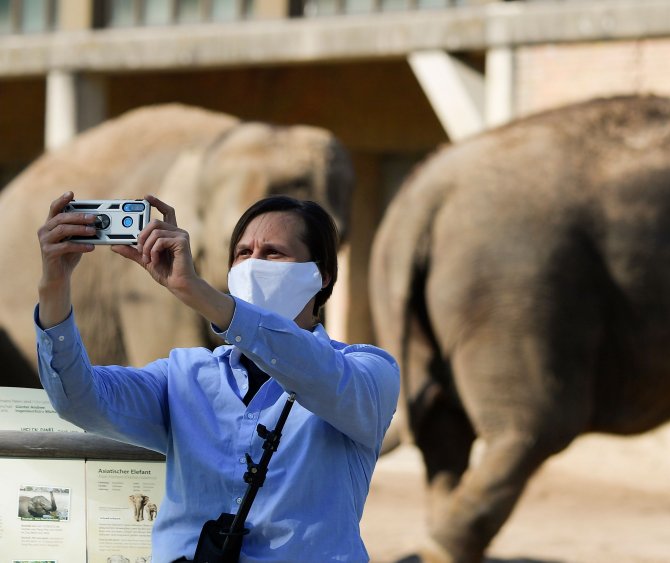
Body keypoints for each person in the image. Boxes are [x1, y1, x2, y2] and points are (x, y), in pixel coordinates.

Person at [35, 192, 400, 561]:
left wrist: (195, 292)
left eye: (273, 253)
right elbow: (78, 399)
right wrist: (53, 287)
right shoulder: (184, 375)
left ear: (322, 275)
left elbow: (315, 371)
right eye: (243, 254)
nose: (254, 263)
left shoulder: (369, 371)